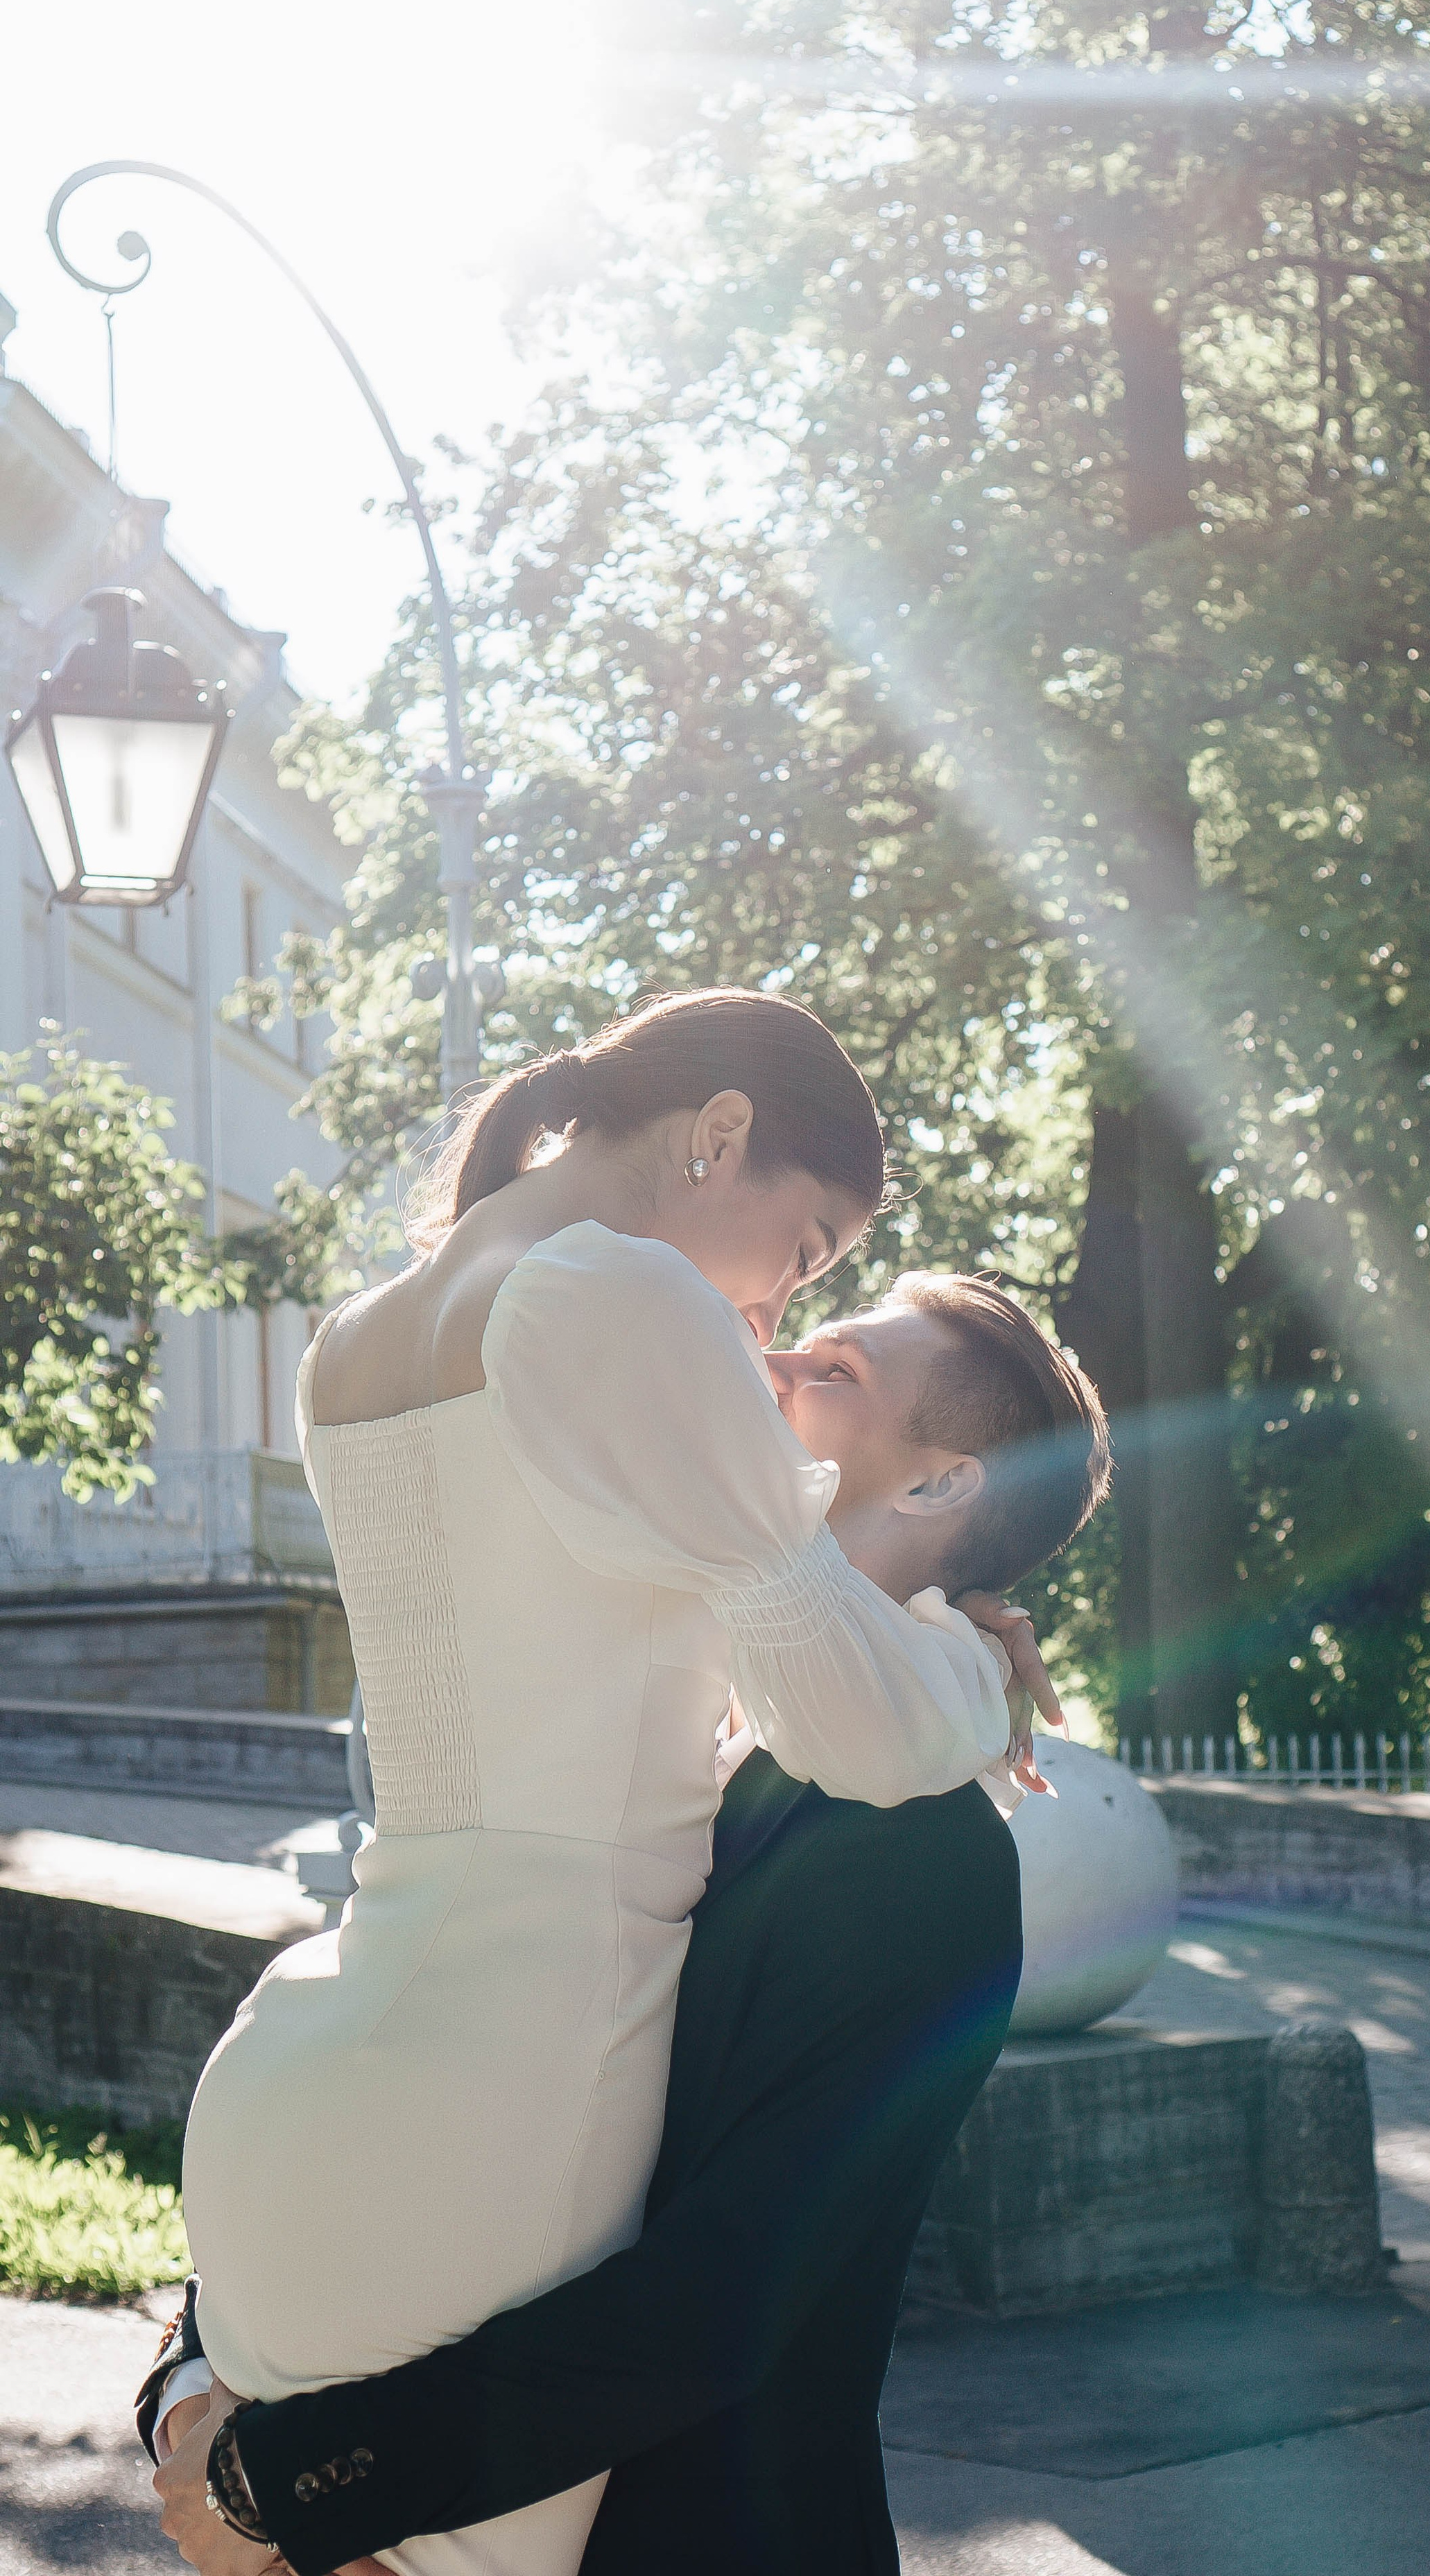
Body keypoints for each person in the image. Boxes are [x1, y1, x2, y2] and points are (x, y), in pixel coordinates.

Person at [165, 990, 1062, 2576]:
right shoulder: (621, 1297)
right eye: (808, 1250)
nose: (776, 1323)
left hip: (314, 2061)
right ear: (717, 1138)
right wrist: (972, 1669)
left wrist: (246, 2459)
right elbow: (849, 1715)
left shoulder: (357, 1338)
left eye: (822, 1321)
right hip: (511, 2076)